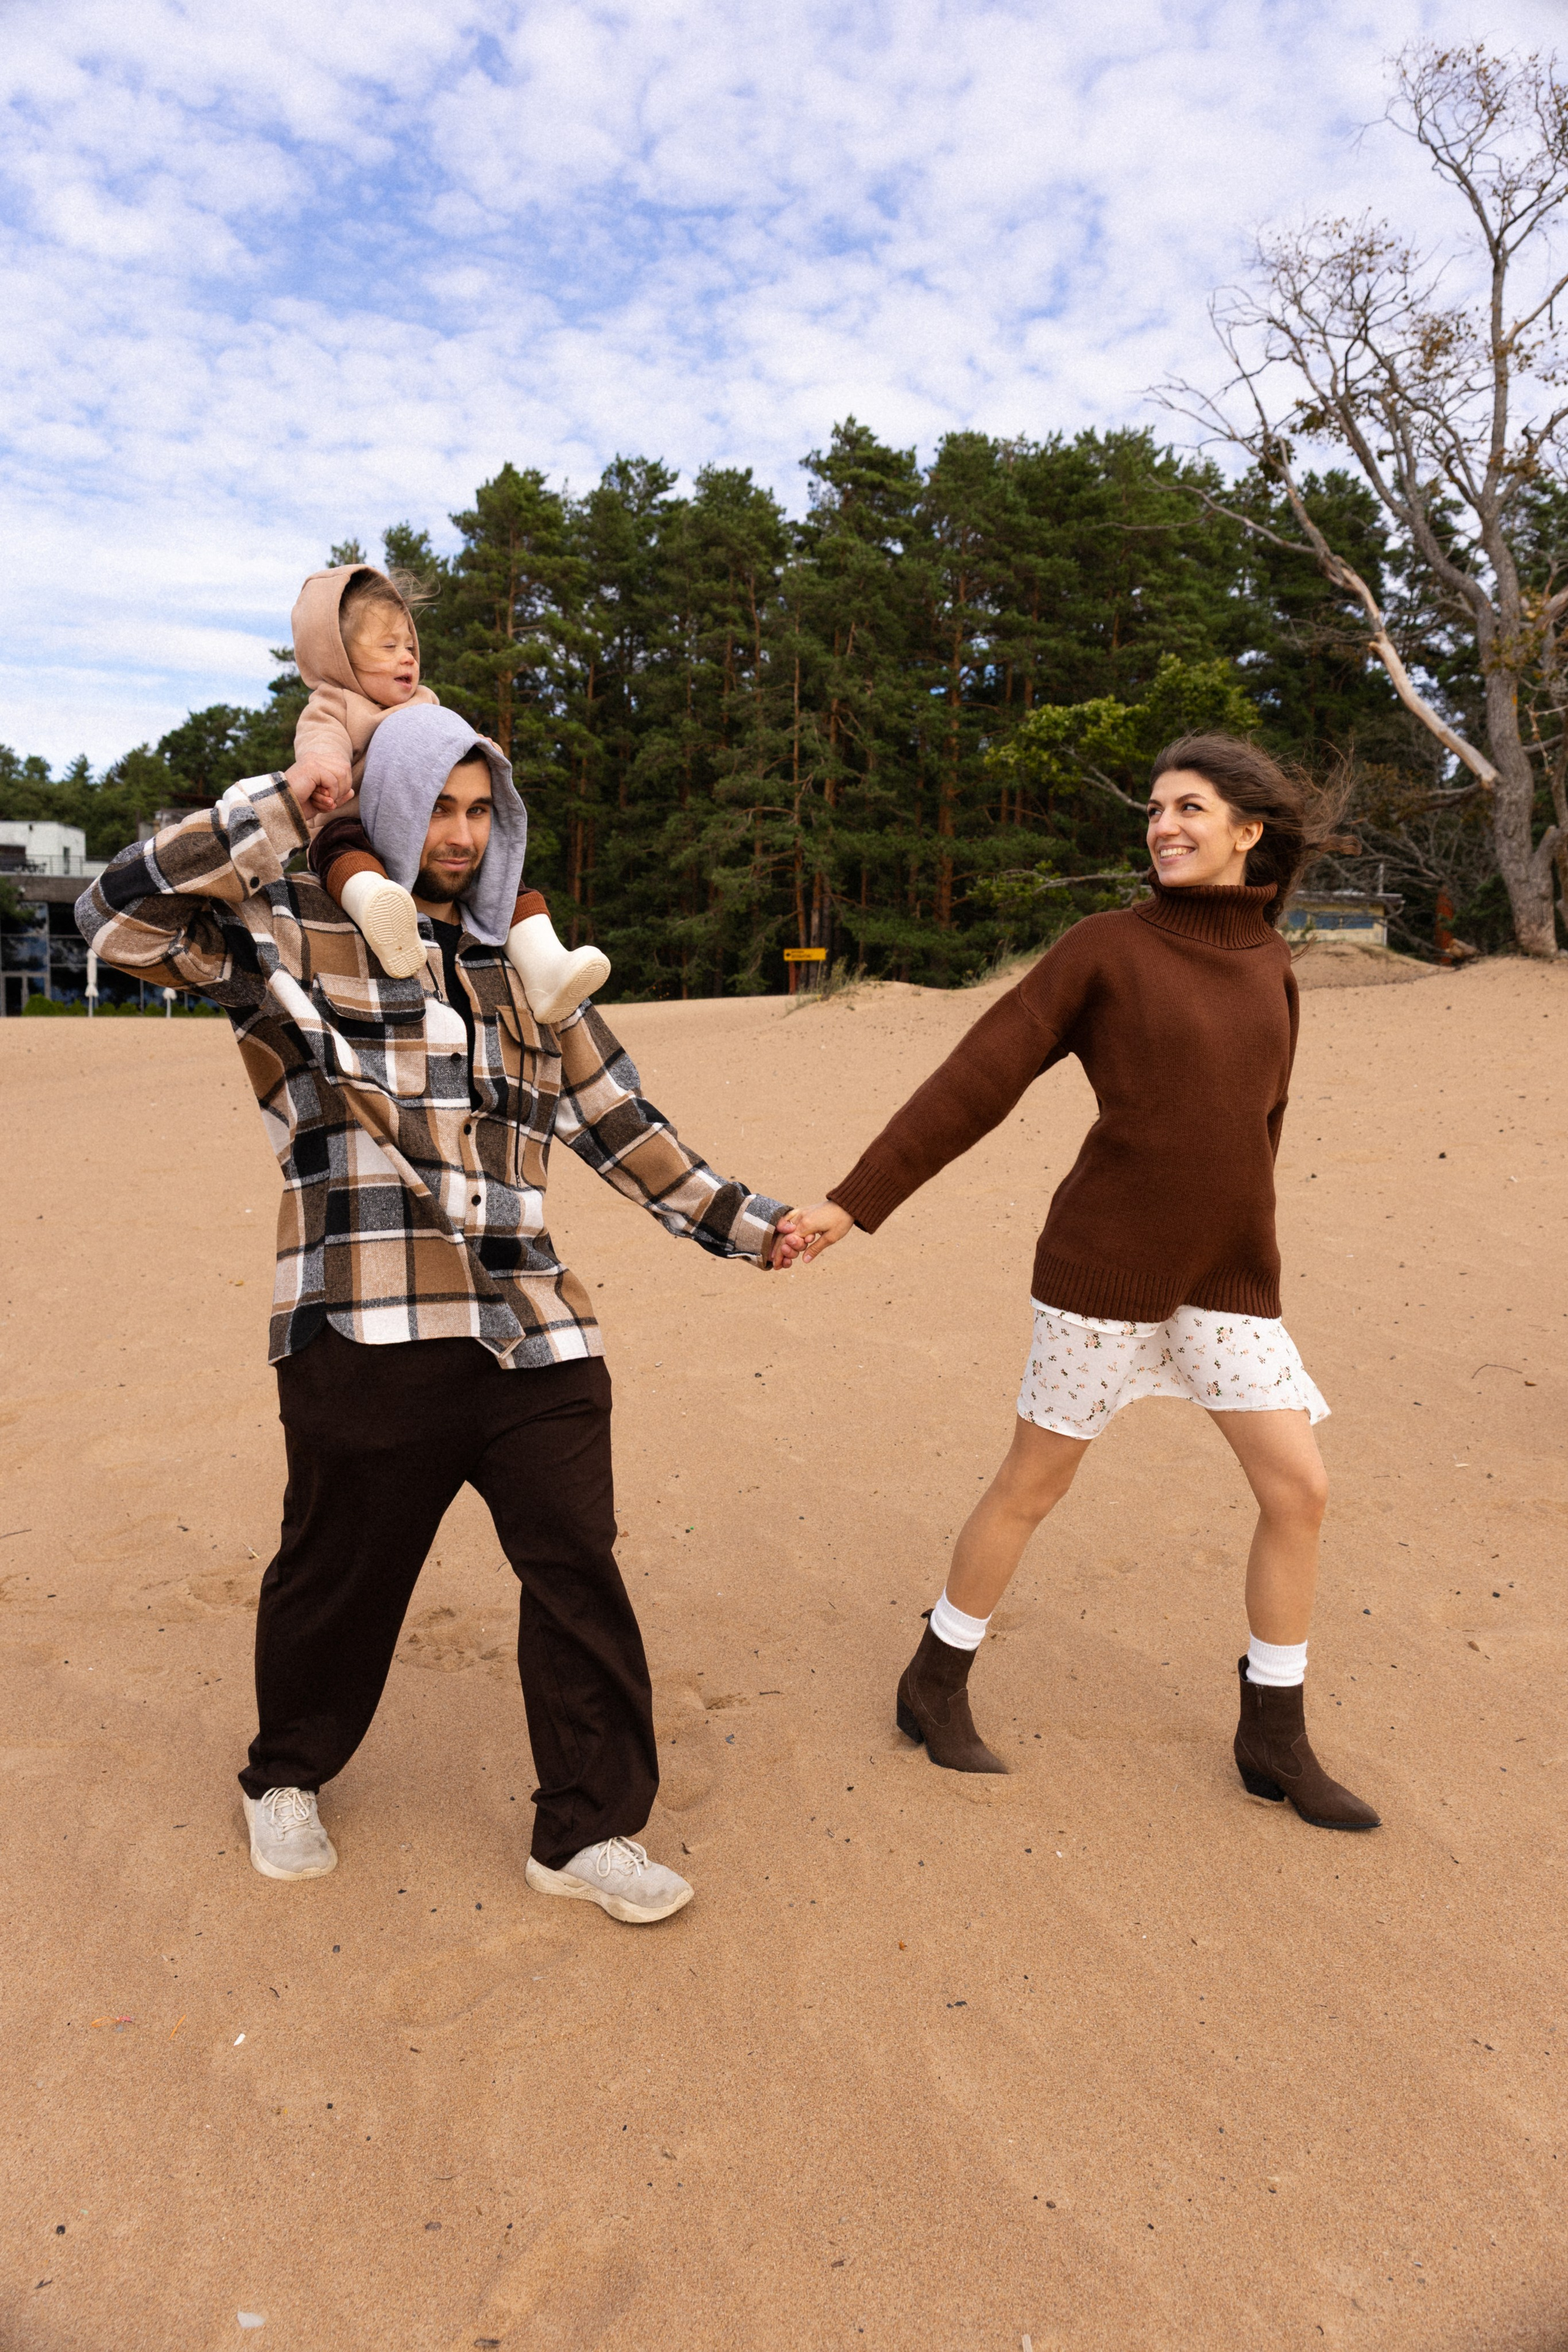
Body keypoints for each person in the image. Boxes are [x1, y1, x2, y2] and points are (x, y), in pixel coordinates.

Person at [77, 702, 804, 1923]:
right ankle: (288, 1774)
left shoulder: (524, 965)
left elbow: (616, 1119)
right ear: (389, 802)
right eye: (440, 808)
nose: (460, 838)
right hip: (366, 1325)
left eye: (482, 813)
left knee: (575, 1563)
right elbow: (117, 919)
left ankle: (584, 1831)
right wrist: (290, 800)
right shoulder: (288, 932)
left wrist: (749, 1223)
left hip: (532, 1325)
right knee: (339, 1577)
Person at [783, 733, 1379, 1833]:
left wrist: (1247, 1248)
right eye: (1155, 809)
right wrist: (852, 1201)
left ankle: (1273, 1734)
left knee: (1299, 1489)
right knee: (1033, 1483)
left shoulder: (1271, 966)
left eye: (1190, 808)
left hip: (1229, 1283)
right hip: (1104, 1274)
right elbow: (978, 1079)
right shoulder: (1107, 947)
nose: (1164, 826)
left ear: (1251, 832)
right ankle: (936, 1681)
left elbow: (1260, 1130)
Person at [290, 561, 609, 1020]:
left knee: (500, 870)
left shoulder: (425, 702)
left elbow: (454, 750)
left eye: (410, 646)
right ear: (338, 656)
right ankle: (379, 911)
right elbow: (321, 746)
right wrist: (324, 767)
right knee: (345, 853)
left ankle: (546, 964)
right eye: (388, 647)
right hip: (354, 827)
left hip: (414, 834)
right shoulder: (334, 707)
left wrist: (481, 752)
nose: (407, 657)